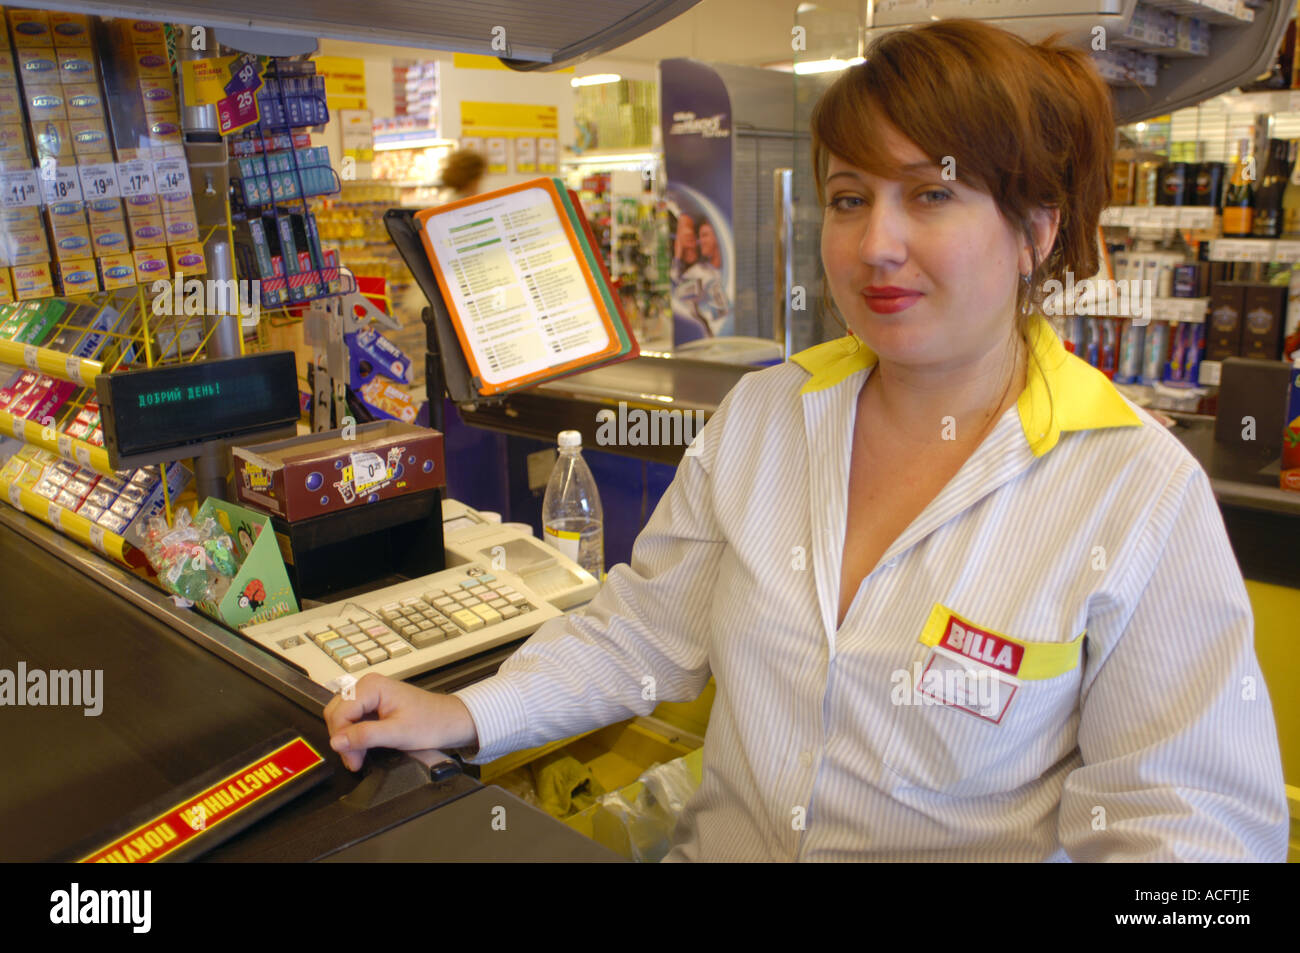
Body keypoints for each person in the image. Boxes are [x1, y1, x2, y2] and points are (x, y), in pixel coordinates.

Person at [325, 19, 1288, 861]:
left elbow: (1195, 836)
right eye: (849, 197)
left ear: (1037, 225)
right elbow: (644, 634)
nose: (876, 243)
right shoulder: (769, 416)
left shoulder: (1133, 491)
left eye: (931, 195)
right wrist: (467, 713)